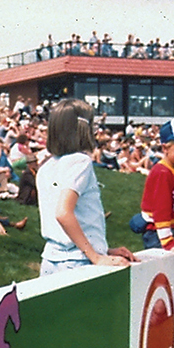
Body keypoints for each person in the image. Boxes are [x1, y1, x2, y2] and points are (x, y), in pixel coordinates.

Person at [36, 99, 136, 276]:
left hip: (52, 260)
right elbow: (63, 213)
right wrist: (96, 258)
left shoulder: (46, 167)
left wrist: (104, 250)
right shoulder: (80, 161)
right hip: (76, 262)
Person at [138, 117, 174, 272]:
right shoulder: (162, 172)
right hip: (158, 233)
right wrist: (168, 242)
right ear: (165, 148)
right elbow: (161, 210)